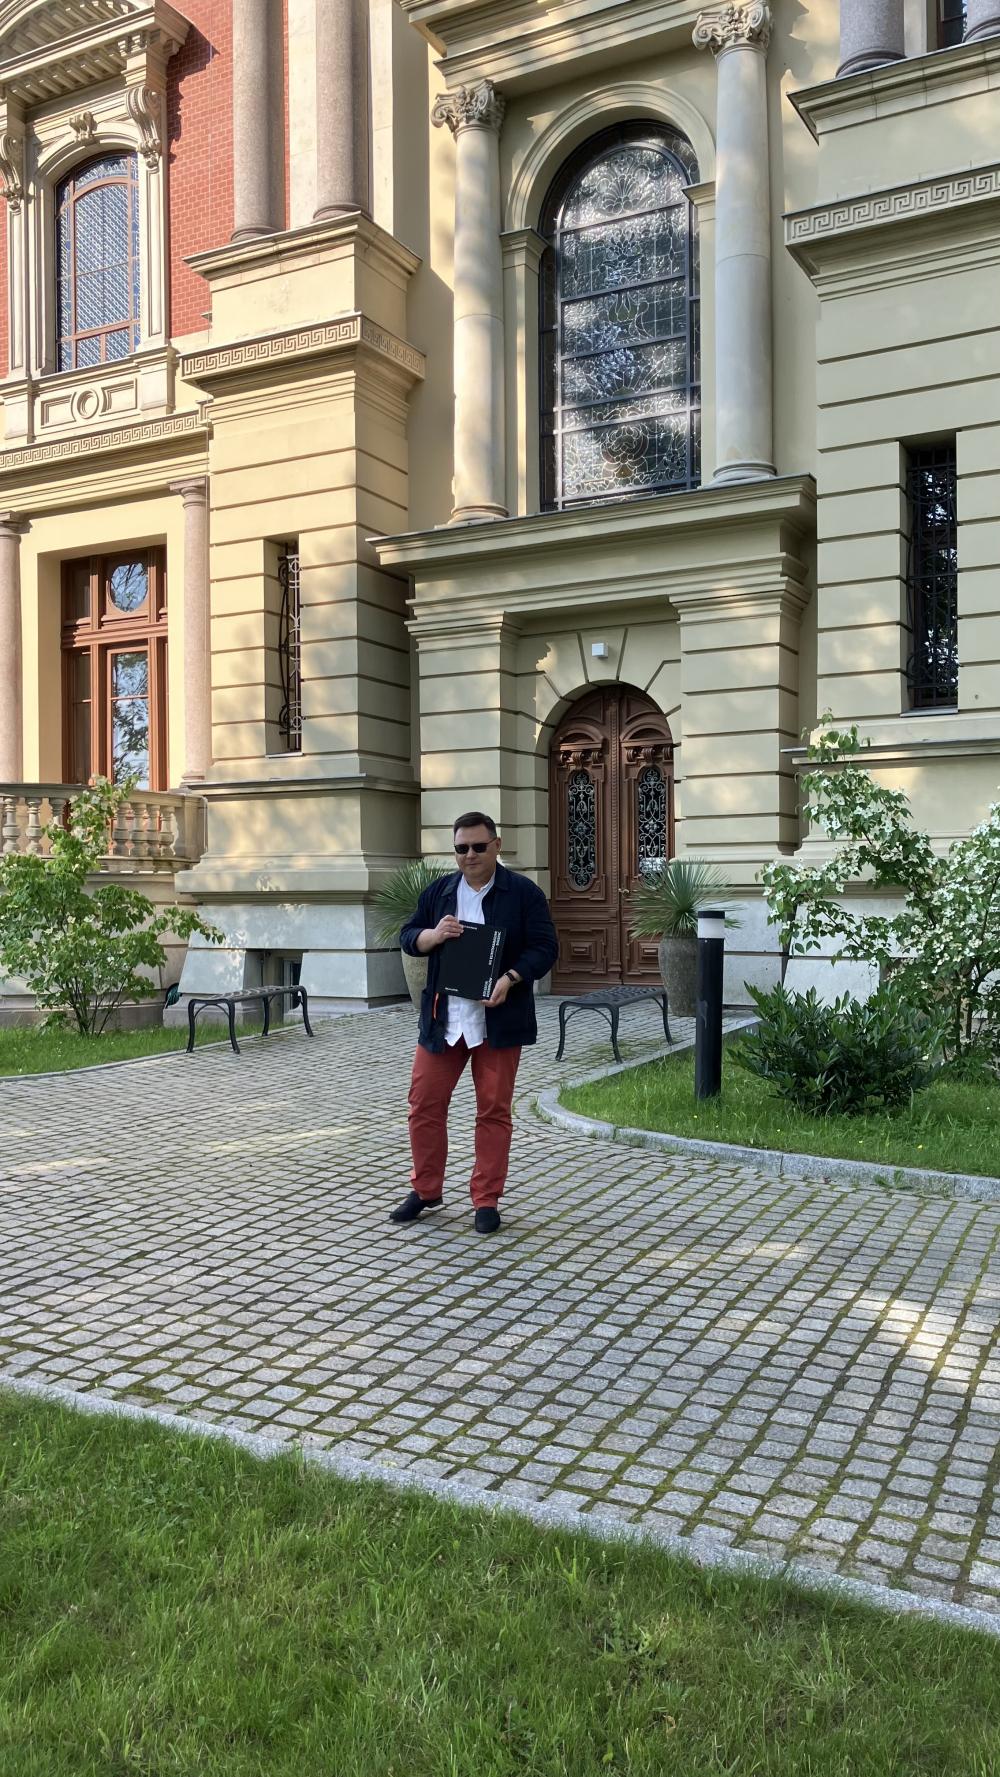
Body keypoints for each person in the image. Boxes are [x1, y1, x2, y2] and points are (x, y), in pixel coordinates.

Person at [391, 812, 559, 1235]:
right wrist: (432, 936)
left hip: (497, 1021)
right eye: (461, 848)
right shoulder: (440, 892)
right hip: (444, 1020)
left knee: (493, 1111)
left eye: (478, 847)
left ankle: (486, 1199)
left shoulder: (523, 893)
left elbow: (545, 948)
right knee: (424, 1105)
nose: (470, 855)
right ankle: (426, 1190)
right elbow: (408, 936)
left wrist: (511, 978)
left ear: (496, 846)